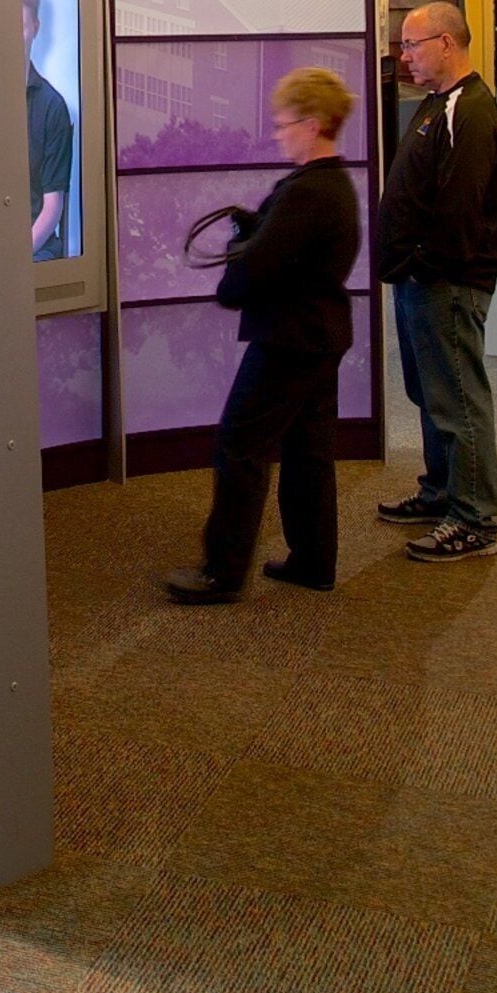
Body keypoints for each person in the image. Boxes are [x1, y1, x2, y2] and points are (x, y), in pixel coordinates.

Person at [162, 67, 361, 604]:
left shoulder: (304, 194)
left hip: (288, 339)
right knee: (308, 450)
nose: (278, 134)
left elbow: (251, 276)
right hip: (319, 334)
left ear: (314, 124)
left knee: (240, 447)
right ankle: (313, 560)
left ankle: (221, 573)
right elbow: (286, 254)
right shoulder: (332, 186)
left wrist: (238, 267)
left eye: (285, 124)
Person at [379, 1, 497, 562]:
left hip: (446, 281)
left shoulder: (472, 111)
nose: (404, 56)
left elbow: (459, 210)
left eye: (411, 44)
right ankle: (440, 492)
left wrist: (420, 263)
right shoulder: (438, 105)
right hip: (421, 279)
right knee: (431, 392)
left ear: (447, 44)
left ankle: (474, 519)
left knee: (458, 397)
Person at [23, 0, 76, 260]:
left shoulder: (52, 107)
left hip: (35, 246)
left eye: (19, 26)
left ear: (36, 28)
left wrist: (12, 261)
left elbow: (52, 207)